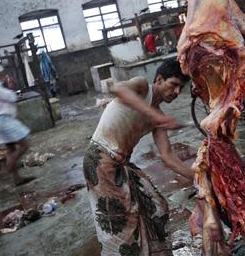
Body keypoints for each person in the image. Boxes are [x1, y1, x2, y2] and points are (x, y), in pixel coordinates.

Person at [83, 59, 194, 256]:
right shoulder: (143, 87)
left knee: (157, 207)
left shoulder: (157, 116)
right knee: (120, 225)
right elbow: (117, 89)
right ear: (159, 80)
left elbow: (167, 157)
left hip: (121, 163)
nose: (177, 92)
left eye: (181, 88)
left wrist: (199, 176)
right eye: (174, 85)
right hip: (100, 159)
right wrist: (155, 115)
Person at [0, 64, 35, 186]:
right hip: (4, 121)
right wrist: (7, 86)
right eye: (1, 74)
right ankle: (8, 168)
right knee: (24, 145)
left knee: (11, 150)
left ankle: (17, 179)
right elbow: (12, 97)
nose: (3, 76)